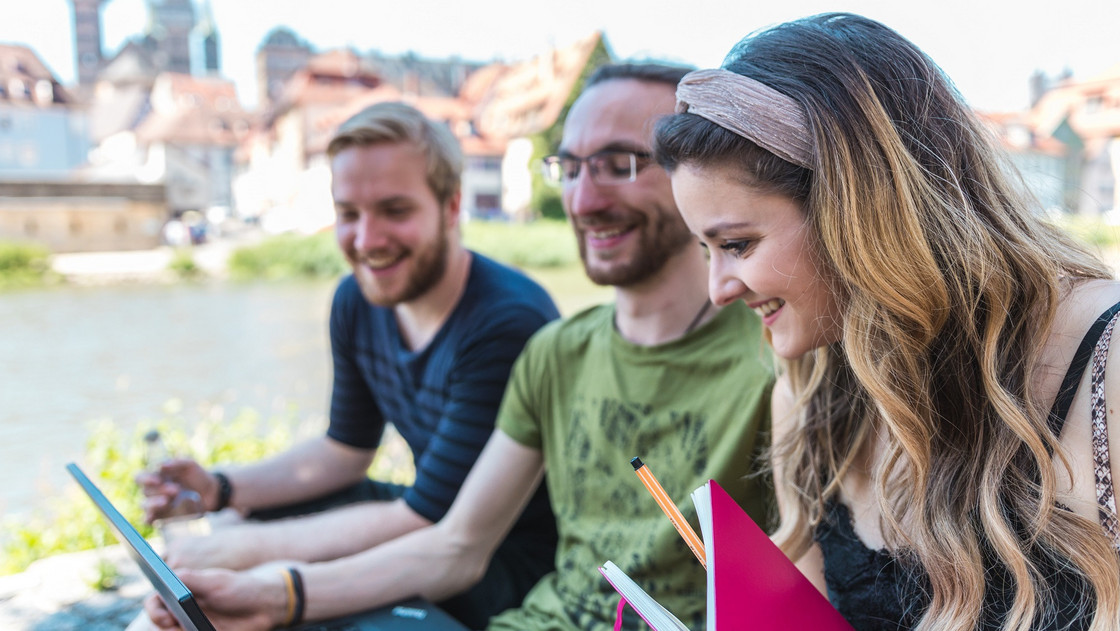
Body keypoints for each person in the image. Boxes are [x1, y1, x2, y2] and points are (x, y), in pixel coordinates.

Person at [145, 63, 775, 631]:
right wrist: (272, 590)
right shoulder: (556, 354)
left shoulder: (776, 350)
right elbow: (452, 542)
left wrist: (265, 575)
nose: (582, 199)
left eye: (619, 163)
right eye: (573, 168)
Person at [654, 13, 1120, 631]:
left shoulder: (1103, 360)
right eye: (704, 250)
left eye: (737, 244)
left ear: (855, 212)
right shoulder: (809, 387)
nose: (718, 290)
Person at [138, 101, 560, 629]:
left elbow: (432, 523)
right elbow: (344, 451)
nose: (366, 241)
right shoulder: (357, 300)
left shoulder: (506, 322)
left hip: (504, 561)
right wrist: (220, 488)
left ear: (452, 208)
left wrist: (242, 551)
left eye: (395, 210)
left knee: (243, 545)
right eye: (349, 214)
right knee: (247, 516)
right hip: (432, 517)